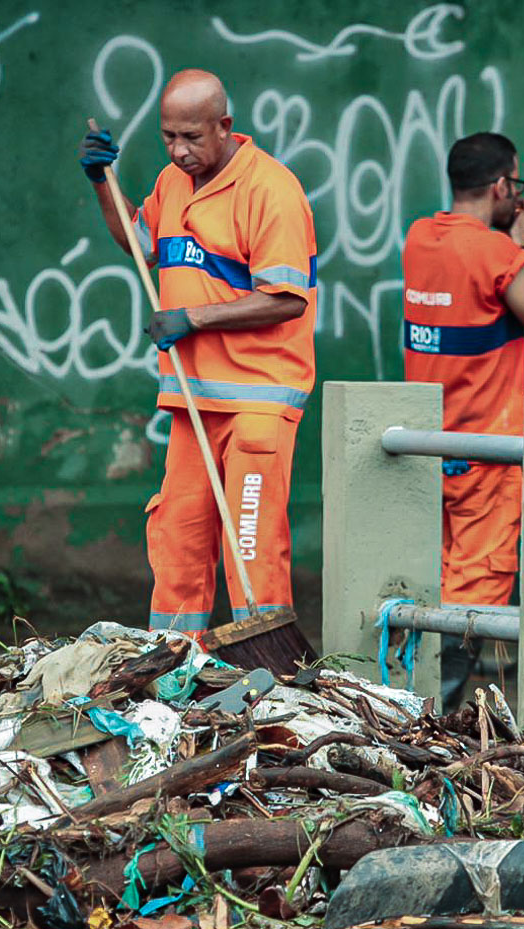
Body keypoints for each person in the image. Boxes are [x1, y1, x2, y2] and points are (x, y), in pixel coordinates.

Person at [79, 70, 317, 632]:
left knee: (251, 551)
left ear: (225, 126)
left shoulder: (272, 190)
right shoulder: (171, 181)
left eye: (192, 137)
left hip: (259, 403)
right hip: (193, 400)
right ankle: (171, 673)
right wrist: (101, 181)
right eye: (169, 138)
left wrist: (192, 318)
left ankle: (268, 683)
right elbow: (141, 247)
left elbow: (286, 301)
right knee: (177, 544)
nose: (179, 151)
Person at [402, 132, 524, 712]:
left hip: (428, 447)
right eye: (514, 184)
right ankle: (429, 716)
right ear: (500, 187)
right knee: (477, 589)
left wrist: (507, 245)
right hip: (487, 454)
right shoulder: (497, 254)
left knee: (429, 583)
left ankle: (404, 706)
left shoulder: (419, 238)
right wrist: (522, 249)